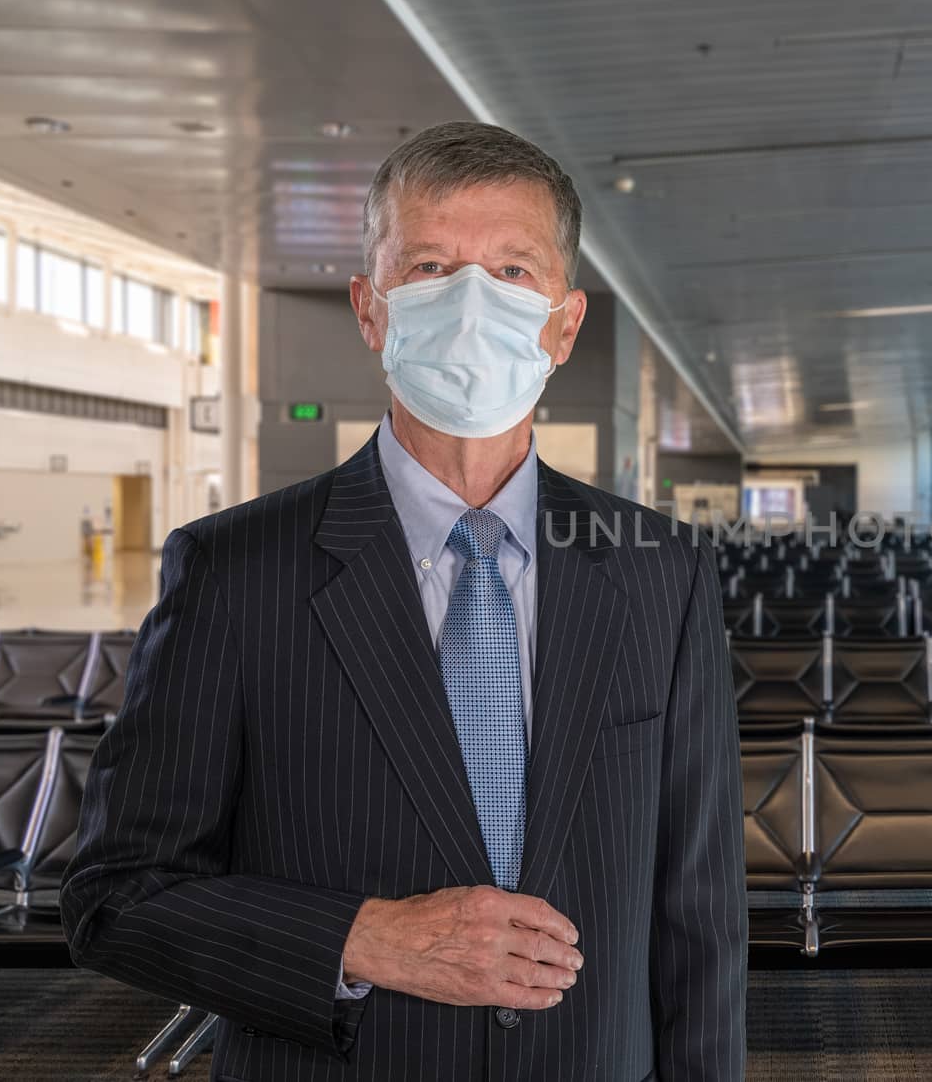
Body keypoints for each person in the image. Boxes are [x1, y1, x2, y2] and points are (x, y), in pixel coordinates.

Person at [61, 121, 748, 1081]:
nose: (471, 302)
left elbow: (700, 909)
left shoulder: (657, 570)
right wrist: (360, 939)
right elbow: (114, 898)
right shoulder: (235, 568)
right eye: (429, 266)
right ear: (371, 309)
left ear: (565, 320)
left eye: (513, 271)